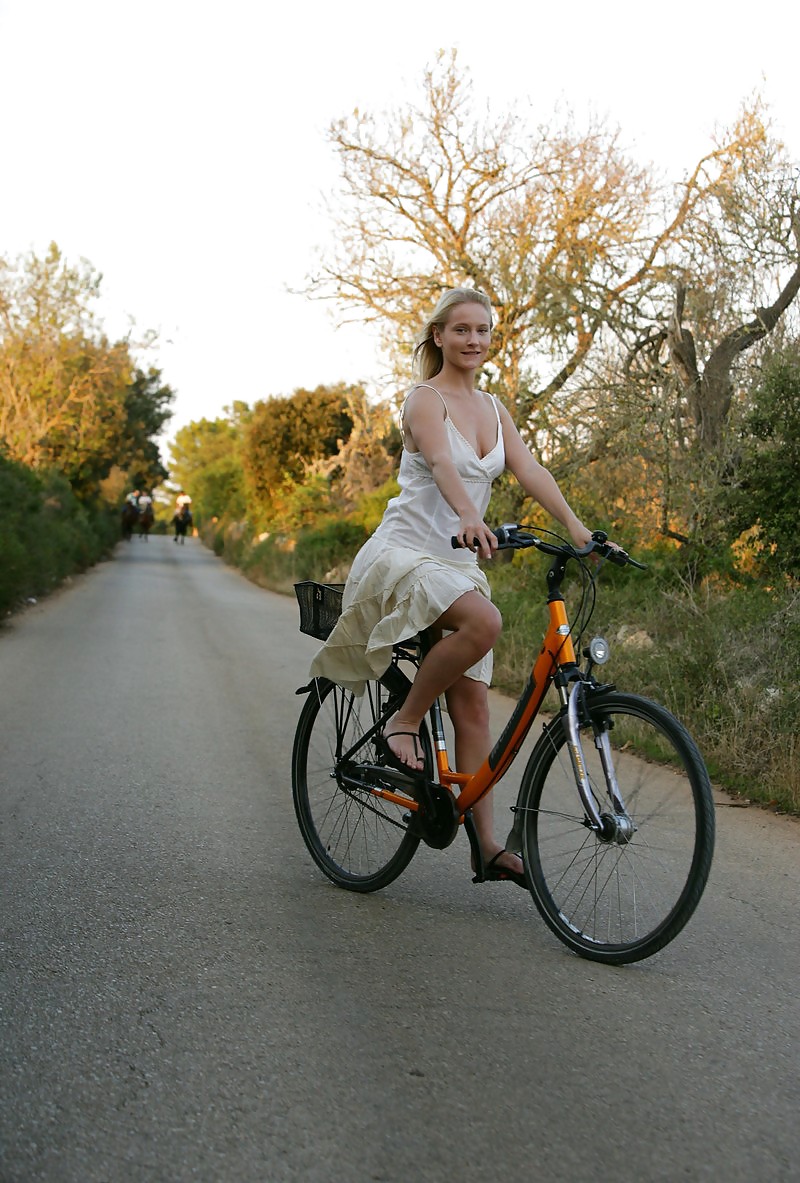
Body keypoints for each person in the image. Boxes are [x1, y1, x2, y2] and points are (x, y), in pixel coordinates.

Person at [309, 287, 603, 887]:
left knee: (471, 701)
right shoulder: (424, 399)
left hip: (457, 564)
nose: (474, 340)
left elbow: (530, 468)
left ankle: (487, 846)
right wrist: (470, 513)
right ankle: (405, 721)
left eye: (484, 331)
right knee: (485, 623)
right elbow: (442, 463)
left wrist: (579, 530)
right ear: (438, 336)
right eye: (462, 330)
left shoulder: (495, 409)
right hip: (407, 553)